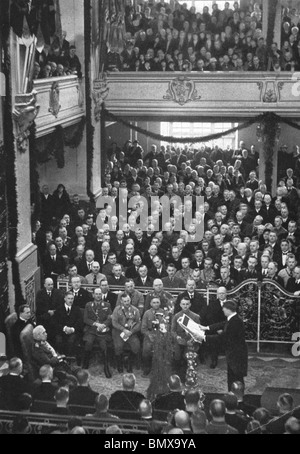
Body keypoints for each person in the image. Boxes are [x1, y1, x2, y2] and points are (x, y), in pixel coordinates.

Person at [201, 300, 248, 391]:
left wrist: (204, 337)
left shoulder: (235, 322)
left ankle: (236, 398)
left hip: (236, 355)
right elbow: (222, 324)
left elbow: (222, 338)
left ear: (228, 309)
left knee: (236, 378)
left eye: (224, 308)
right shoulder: (233, 318)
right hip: (235, 354)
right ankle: (234, 396)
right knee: (233, 377)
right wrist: (206, 327)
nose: (222, 310)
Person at [82, 287, 113, 378]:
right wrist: (96, 324)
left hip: (102, 331)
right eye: (96, 294)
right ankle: (86, 361)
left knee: (103, 345)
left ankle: (106, 367)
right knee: (88, 342)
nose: (98, 296)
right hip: (91, 329)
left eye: (100, 294)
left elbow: (110, 318)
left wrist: (103, 325)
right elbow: (85, 319)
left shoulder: (107, 305)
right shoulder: (88, 305)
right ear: (93, 295)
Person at [112, 293, 141, 373]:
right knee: (118, 346)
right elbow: (114, 323)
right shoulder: (117, 310)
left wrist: (131, 331)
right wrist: (123, 329)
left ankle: (129, 364)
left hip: (131, 332)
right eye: (125, 301)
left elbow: (138, 323)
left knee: (136, 346)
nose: (127, 302)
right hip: (119, 331)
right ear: (121, 301)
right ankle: (120, 364)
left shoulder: (135, 310)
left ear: (130, 300)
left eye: (128, 300)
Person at [54, 291, 83, 357]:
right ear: (65, 299)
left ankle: (69, 359)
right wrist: (64, 328)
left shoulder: (77, 309)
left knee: (71, 341)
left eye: (72, 298)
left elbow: (80, 322)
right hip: (61, 331)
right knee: (59, 340)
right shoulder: (59, 309)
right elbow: (55, 322)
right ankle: (61, 358)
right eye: (69, 298)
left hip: (73, 332)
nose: (70, 300)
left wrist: (72, 329)